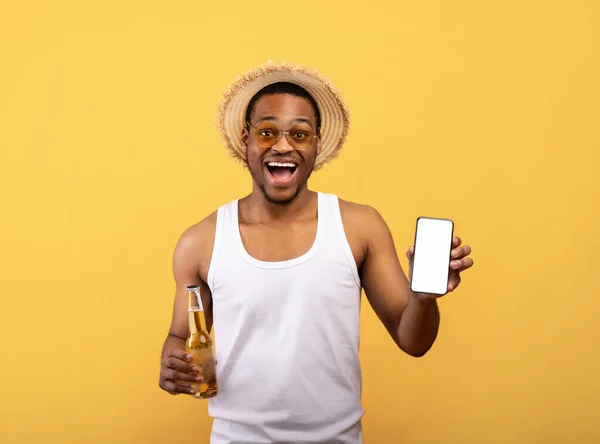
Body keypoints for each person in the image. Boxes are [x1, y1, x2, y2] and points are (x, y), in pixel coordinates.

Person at [158, 61, 474, 443]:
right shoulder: (201, 242)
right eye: (267, 132)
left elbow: (414, 343)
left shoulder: (359, 227)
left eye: (300, 134)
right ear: (246, 140)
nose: (283, 145)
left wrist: (423, 298)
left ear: (317, 144)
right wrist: (174, 362)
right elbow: (180, 336)